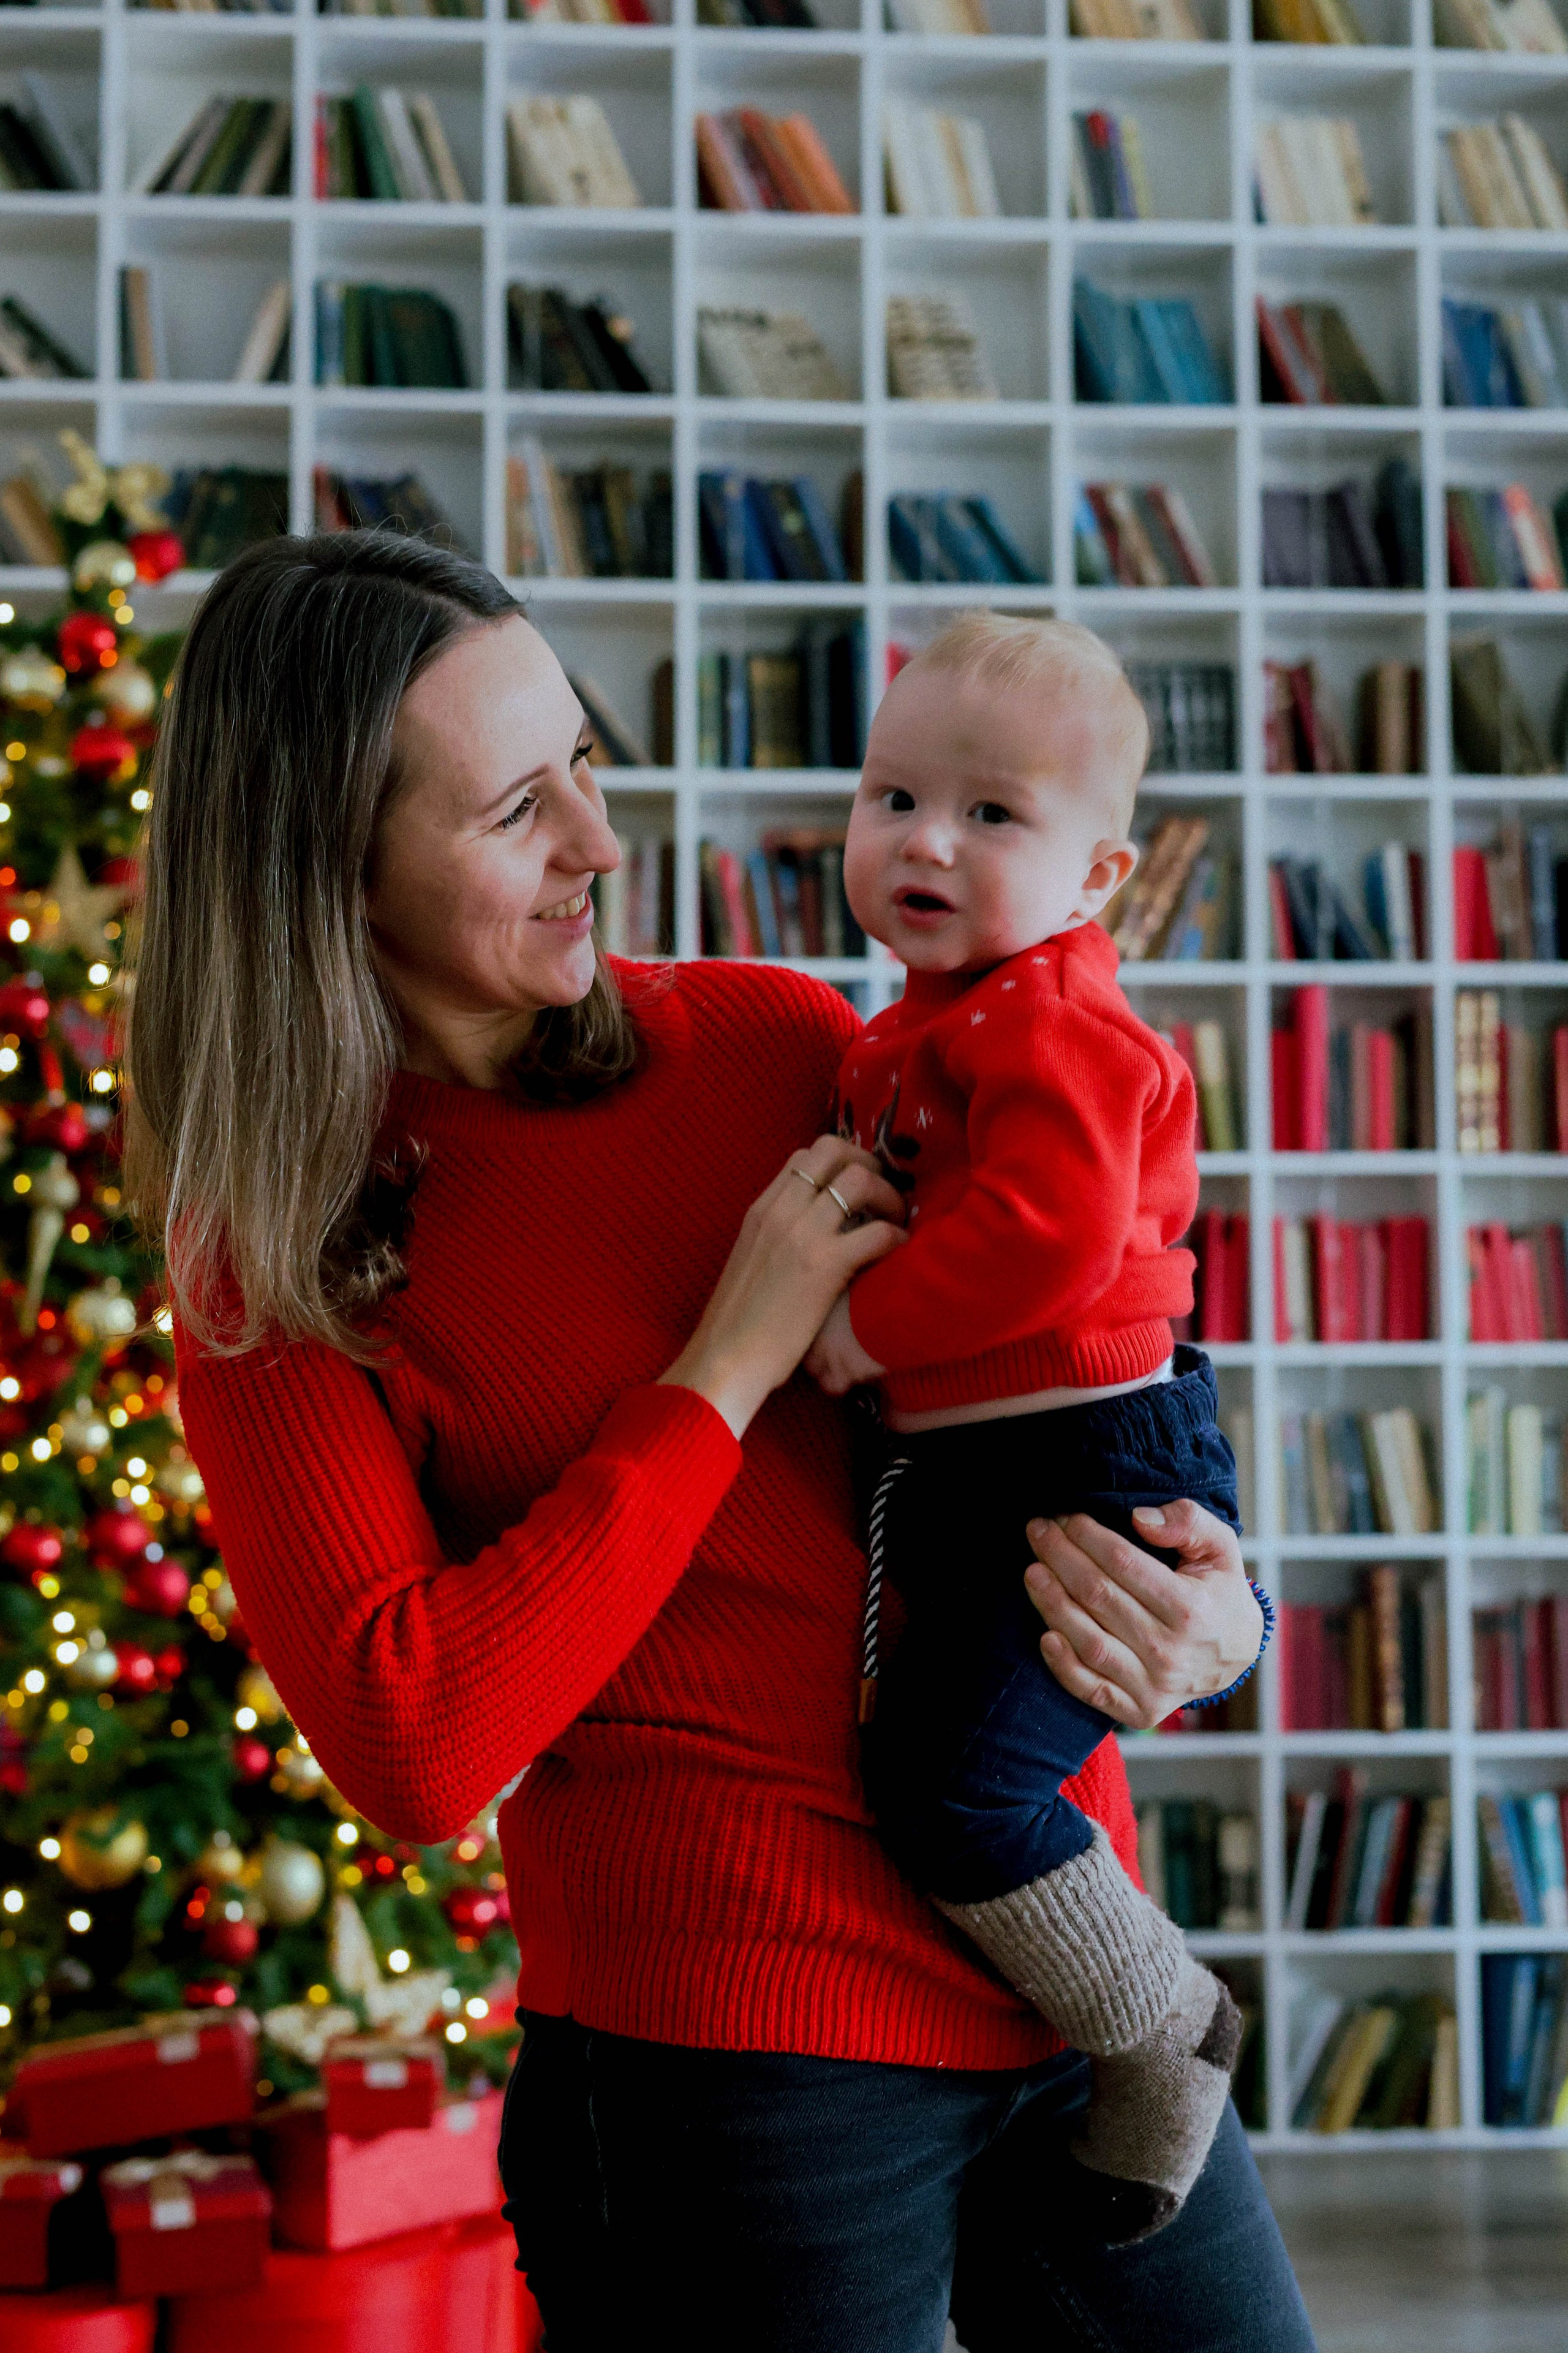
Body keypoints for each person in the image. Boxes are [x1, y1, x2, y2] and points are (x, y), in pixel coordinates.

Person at [124, 533, 1314, 2353]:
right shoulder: (272, 1252)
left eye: (587, 760)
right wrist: (726, 1362)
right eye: (522, 806)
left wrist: (1220, 1610)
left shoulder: (779, 1041)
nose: (605, 842)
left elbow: (1101, 1325)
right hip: (733, 2066)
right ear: (325, 874)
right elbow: (412, 1738)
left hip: (1079, 1988)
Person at [804, 614, 1256, 2246]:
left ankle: (1159, 2021)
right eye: (893, 794)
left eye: (994, 815)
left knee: (950, 1778)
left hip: (1090, 1457)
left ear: (1101, 875)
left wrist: (859, 1327)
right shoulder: (923, 1019)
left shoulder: (1053, 1018)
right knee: (938, 1747)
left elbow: (1045, 1241)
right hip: (998, 1457)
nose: (926, 837)